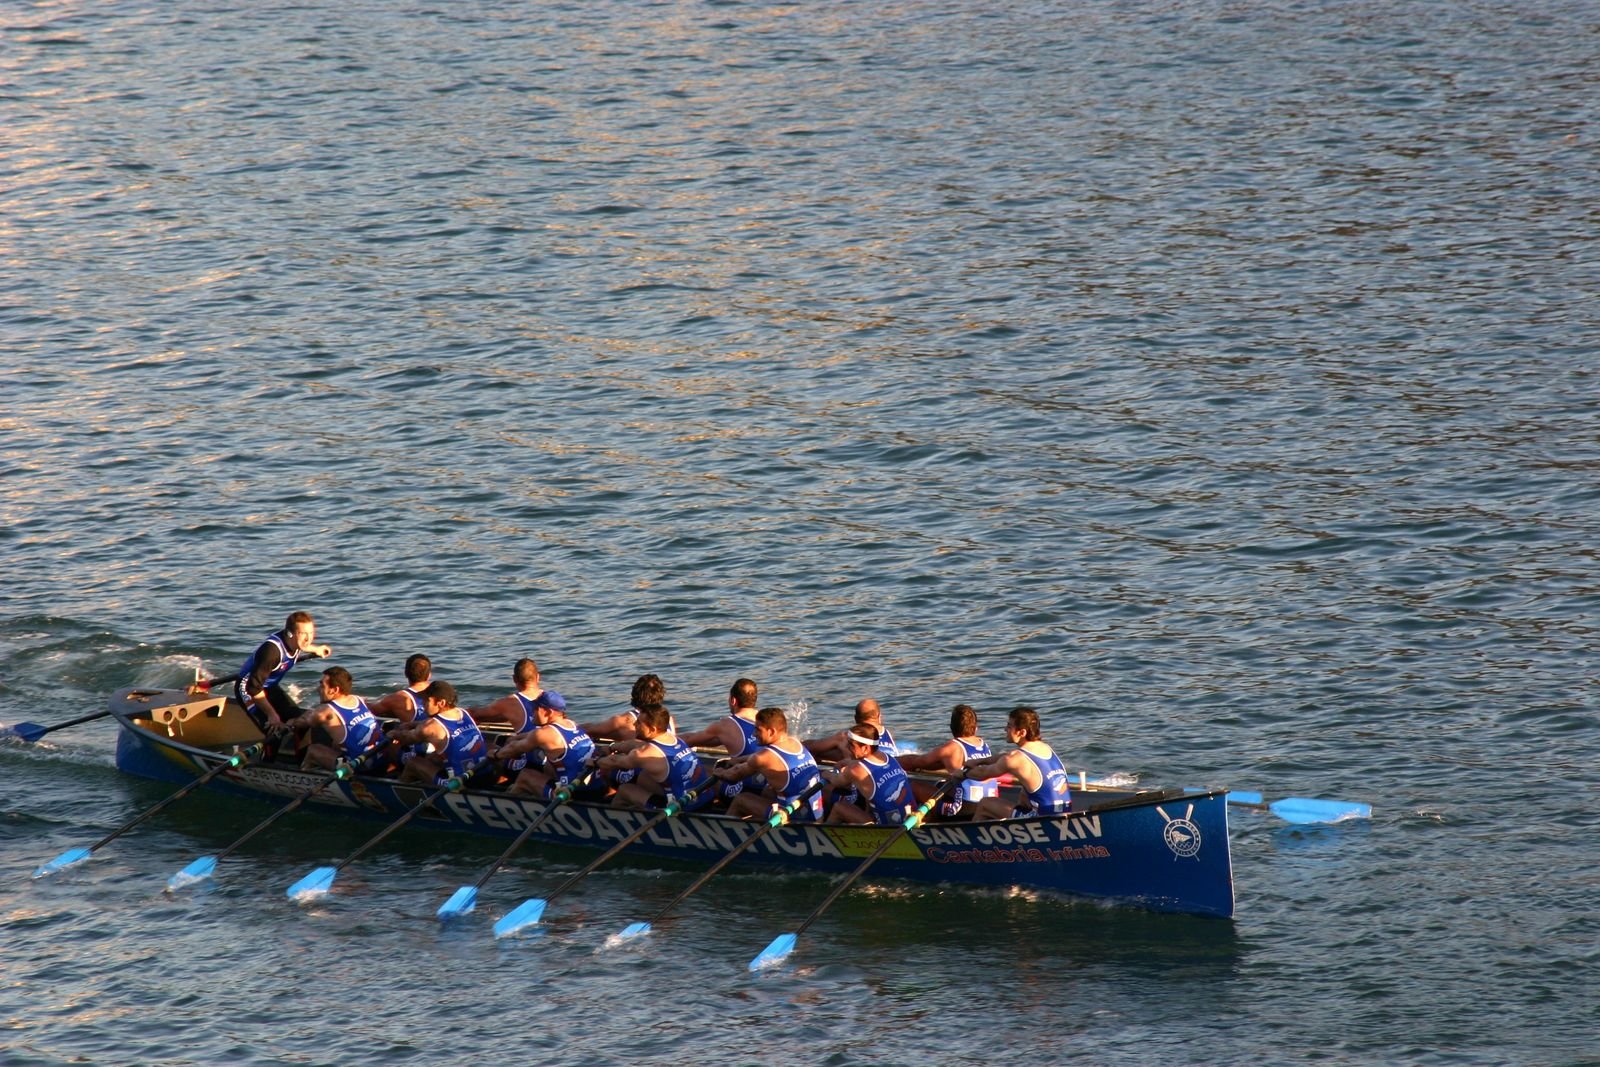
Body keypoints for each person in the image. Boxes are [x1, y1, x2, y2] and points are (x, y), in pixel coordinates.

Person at [711, 706, 824, 822]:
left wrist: (720, 773)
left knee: (741, 799)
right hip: (817, 815)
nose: (754, 734)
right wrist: (739, 759)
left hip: (791, 818)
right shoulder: (795, 742)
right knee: (767, 790)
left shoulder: (762, 758)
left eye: (758, 730)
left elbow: (733, 777)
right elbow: (769, 757)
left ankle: (725, 833)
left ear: (771, 732)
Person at [593, 702, 711, 810]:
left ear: (652, 729)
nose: (634, 724)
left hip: (683, 807)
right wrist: (612, 747)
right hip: (705, 796)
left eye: (639, 723)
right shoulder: (675, 740)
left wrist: (596, 762)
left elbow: (614, 762)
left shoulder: (643, 753)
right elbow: (635, 744)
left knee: (625, 789)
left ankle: (613, 824)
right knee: (644, 776)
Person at [233, 611, 332, 735]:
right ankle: (269, 751)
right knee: (273, 730)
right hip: (248, 689)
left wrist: (316, 649)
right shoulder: (272, 652)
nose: (308, 638)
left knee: (302, 721)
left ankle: (300, 753)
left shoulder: (296, 641)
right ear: (290, 634)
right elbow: (253, 688)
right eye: (303, 634)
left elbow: (304, 645)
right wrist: (272, 715)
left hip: (269, 686)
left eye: (311, 633)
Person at [965, 706, 1072, 819]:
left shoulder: (1015, 759)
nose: (1005, 729)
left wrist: (962, 774)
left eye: (1009, 726)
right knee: (1024, 793)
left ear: (1022, 732)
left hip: (1043, 819)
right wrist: (980, 760)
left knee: (985, 804)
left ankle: (971, 836)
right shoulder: (1045, 748)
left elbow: (982, 774)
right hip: (1064, 813)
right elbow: (1005, 756)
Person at [897, 704, 998, 821]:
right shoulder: (984, 745)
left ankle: (911, 822)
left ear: (951, 727)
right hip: (989, 804)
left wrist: (891, 762)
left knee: (914, 787)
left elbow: (916, 762)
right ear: (976, 728)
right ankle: (932, 818)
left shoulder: (951, 748)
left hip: (962, 810)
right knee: (941, 785)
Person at [497, 689, 597, 799]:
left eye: (535, 708)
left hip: (573, 792)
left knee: (525, 775)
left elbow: (514, 749)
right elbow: (529, 736)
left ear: (548, 712)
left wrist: (495, 754)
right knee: (548, 765)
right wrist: (516, 738)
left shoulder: (544, 734)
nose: (532, 712)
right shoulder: (571, 724)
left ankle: (506, 803)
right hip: (596, 785)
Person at [383, 681, 487, 785]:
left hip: (457, 783)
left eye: (427, 700)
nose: (423, 704)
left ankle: (401, 790)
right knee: (433, 757)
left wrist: (393, 734)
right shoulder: (464, 713)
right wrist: (410, 725)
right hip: (483, 773)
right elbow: (438, 722)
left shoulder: (429, 727)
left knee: (413, 763)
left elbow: (407, 739)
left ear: (441, 703)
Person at [287, 666, 383, 772]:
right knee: (337, 742)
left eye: (322, 686)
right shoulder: (359, 699)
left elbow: (301, 724)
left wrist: (290, 722)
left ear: (335, 690)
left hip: (356, 767)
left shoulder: (324, 711)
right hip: (380, 758)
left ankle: (304, 778)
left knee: (313, 749)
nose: (318, 689)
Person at [822, 723, 915, 825]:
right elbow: (866, 767)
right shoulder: (888, 757)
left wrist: (825, 774)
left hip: (887, 827)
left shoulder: (855, 770)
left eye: (851, 745)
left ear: (865, 748)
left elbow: (837, 782)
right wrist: (848, 762)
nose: (847, 747)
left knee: (839, 807)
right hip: (910, 817)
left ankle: (823, 836)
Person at [469, 658, 567, 732]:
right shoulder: (553, 700)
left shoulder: (509, 703)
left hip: (530, 755)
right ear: (538, 677)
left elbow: (475, 714)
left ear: (514, 679)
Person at [579, 673, 667, 742]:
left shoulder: (624, 721)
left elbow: (589, 729)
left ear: (634, 693)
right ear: (661, 696)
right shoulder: (668, 720)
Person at [805, 698, 897, 761]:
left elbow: (811, 747)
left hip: (863, 776)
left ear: (855, 719)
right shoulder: (887, 733)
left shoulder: (847, 737)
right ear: (880, 717)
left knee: (820, 750)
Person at [364, 654, 434, 723]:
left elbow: (373, 710)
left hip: (412, 733)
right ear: (429, 675)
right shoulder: (441, 692)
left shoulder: (399, 698)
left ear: (405, 673)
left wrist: (361, 700)